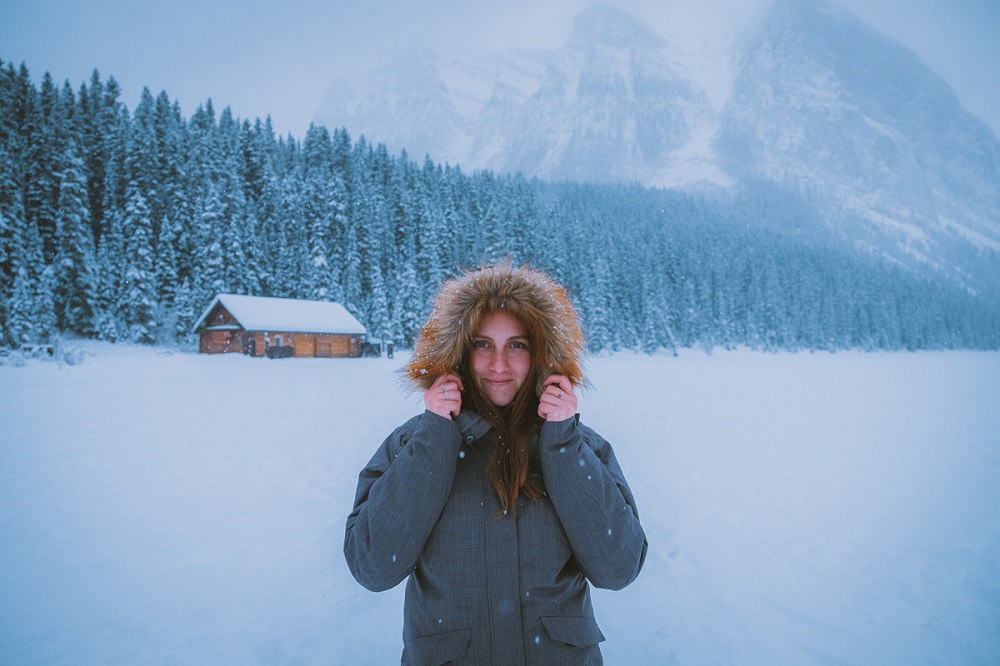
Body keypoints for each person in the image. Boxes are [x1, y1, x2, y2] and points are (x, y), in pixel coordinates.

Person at [344, 262, 647, 665]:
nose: (498, 365)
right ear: (458, 353)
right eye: (482, 345)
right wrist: (436, 438)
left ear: (540, 354)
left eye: (517, 345)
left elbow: (618, 568)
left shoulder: (580, 446)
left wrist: (562, 446)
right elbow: (374, 567)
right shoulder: (413, 444)